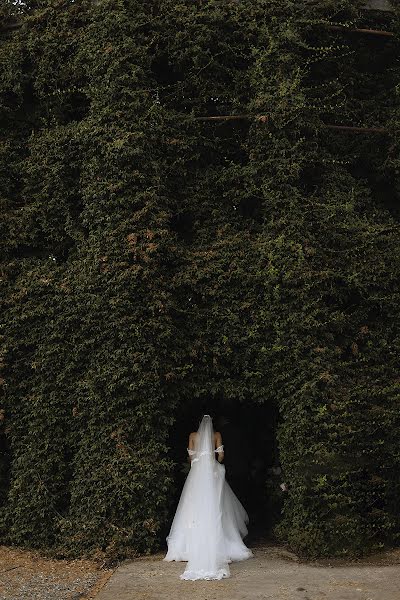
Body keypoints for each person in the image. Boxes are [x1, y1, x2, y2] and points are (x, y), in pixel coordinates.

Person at [163, 414, 253, 580]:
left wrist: (198, 462)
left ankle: (189, 544)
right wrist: (213, 460)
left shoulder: (192, 436)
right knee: (216, 504)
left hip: (197, 472)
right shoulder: (216, 435)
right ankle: (220, 541)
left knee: (193, 503)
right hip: (211, 471)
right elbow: (221, 456)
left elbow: (190, 456)